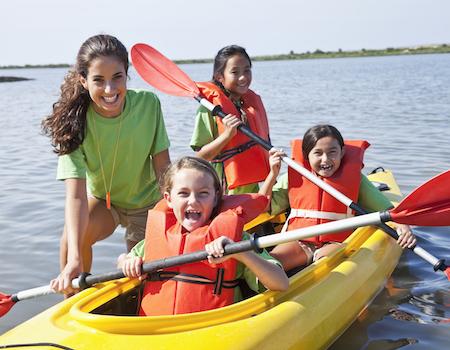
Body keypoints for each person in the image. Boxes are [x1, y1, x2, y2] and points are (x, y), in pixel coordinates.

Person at [42, 34, 171, 294]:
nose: (110, 90)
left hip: (148, 203)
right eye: (99, 80)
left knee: (142, 276)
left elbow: (164, 170)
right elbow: (76, 197)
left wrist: (170, 215)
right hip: (105, 202)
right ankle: (72, 298)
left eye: (117, 77)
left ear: (127, 74)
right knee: (71, 240)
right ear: (83, 80)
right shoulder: (73, 123)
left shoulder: (148, 104)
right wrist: (75, 260)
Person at [118, 156, 288, 316]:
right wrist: (127, 261)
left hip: (211, 329)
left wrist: (240, 253)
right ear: (168, 199)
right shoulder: (156, 239)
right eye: (183, 193)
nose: (193, 200)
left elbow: (281, 283)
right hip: (156, 329)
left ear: (215, 199)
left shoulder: (234, 239)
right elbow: (123, 261)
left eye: (203, 193)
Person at [259, 124, 416, 272]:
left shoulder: (356, 180)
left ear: (342, 152)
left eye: (332, 152)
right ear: (307, 155)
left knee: (322, 265)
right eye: (318, 153)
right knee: (267, 266)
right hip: (299, 240)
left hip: (336, 242)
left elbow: (389, 211)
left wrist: (404, 227)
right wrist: (273, 174)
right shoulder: (292, 178)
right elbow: (263, 206)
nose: (325, 159)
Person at [190, 45, 270, 194]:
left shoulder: (250, 104)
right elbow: (200, 157)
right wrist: (227, 135)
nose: (243, 77)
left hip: (251, 189)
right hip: (223, 191)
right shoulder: (209, 108)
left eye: (247, 70)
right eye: (235, 72)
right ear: (220, 76)